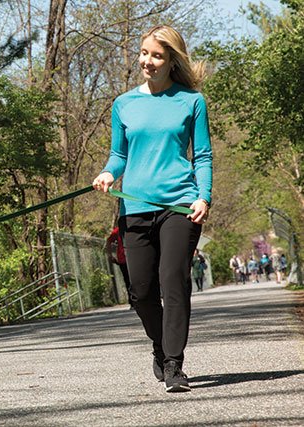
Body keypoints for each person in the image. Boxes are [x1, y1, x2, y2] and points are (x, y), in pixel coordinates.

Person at [92, 25, 211, 393]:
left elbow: (203, 155)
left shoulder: (191, 101)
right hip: (135, 207)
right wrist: (108, 173)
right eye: (144, 53)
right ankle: (160, 348)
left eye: (156, 55)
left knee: (173, 281)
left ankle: (175, 365)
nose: (147, 61)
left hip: (179, 204)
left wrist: (202, 196)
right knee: (141, 291)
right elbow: (119, 155)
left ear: (172, 60)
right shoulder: (124, 103)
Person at [106, 226, 134, 309]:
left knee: (134, 280)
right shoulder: (118, 230)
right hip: (123, 259)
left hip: (134, 257)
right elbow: (109, 240)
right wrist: (110, 255)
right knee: (128, 281)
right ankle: (132, 302)